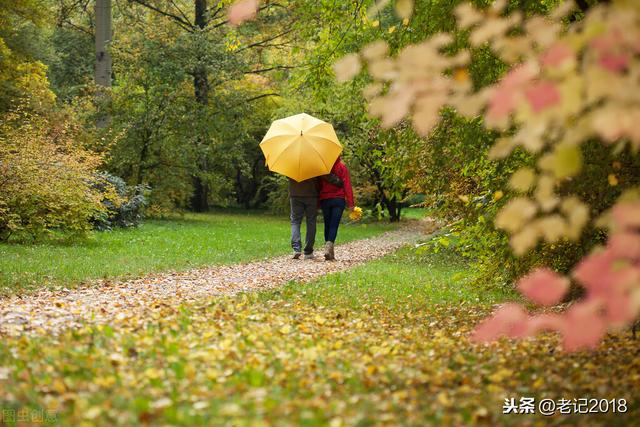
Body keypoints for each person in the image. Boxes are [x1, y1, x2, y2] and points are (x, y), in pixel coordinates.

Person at [319, 156, 354, 261]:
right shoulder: (342, 167)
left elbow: (318, 186)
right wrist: (351, 203)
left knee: (327, 224)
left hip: (325, 199)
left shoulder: (323, 169)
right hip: (338, 200)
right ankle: (329, 250)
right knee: (334, 225)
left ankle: (328, 251)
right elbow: (347, 185)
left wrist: (317, 202)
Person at [289, 177, 319, 259]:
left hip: (295, 194)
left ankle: (296, 248)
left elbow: (288, 176)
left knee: (295, 221)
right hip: (311, 195)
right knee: (311, 222)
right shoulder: (315, 165)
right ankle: (308, 251)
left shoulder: (291, 165)